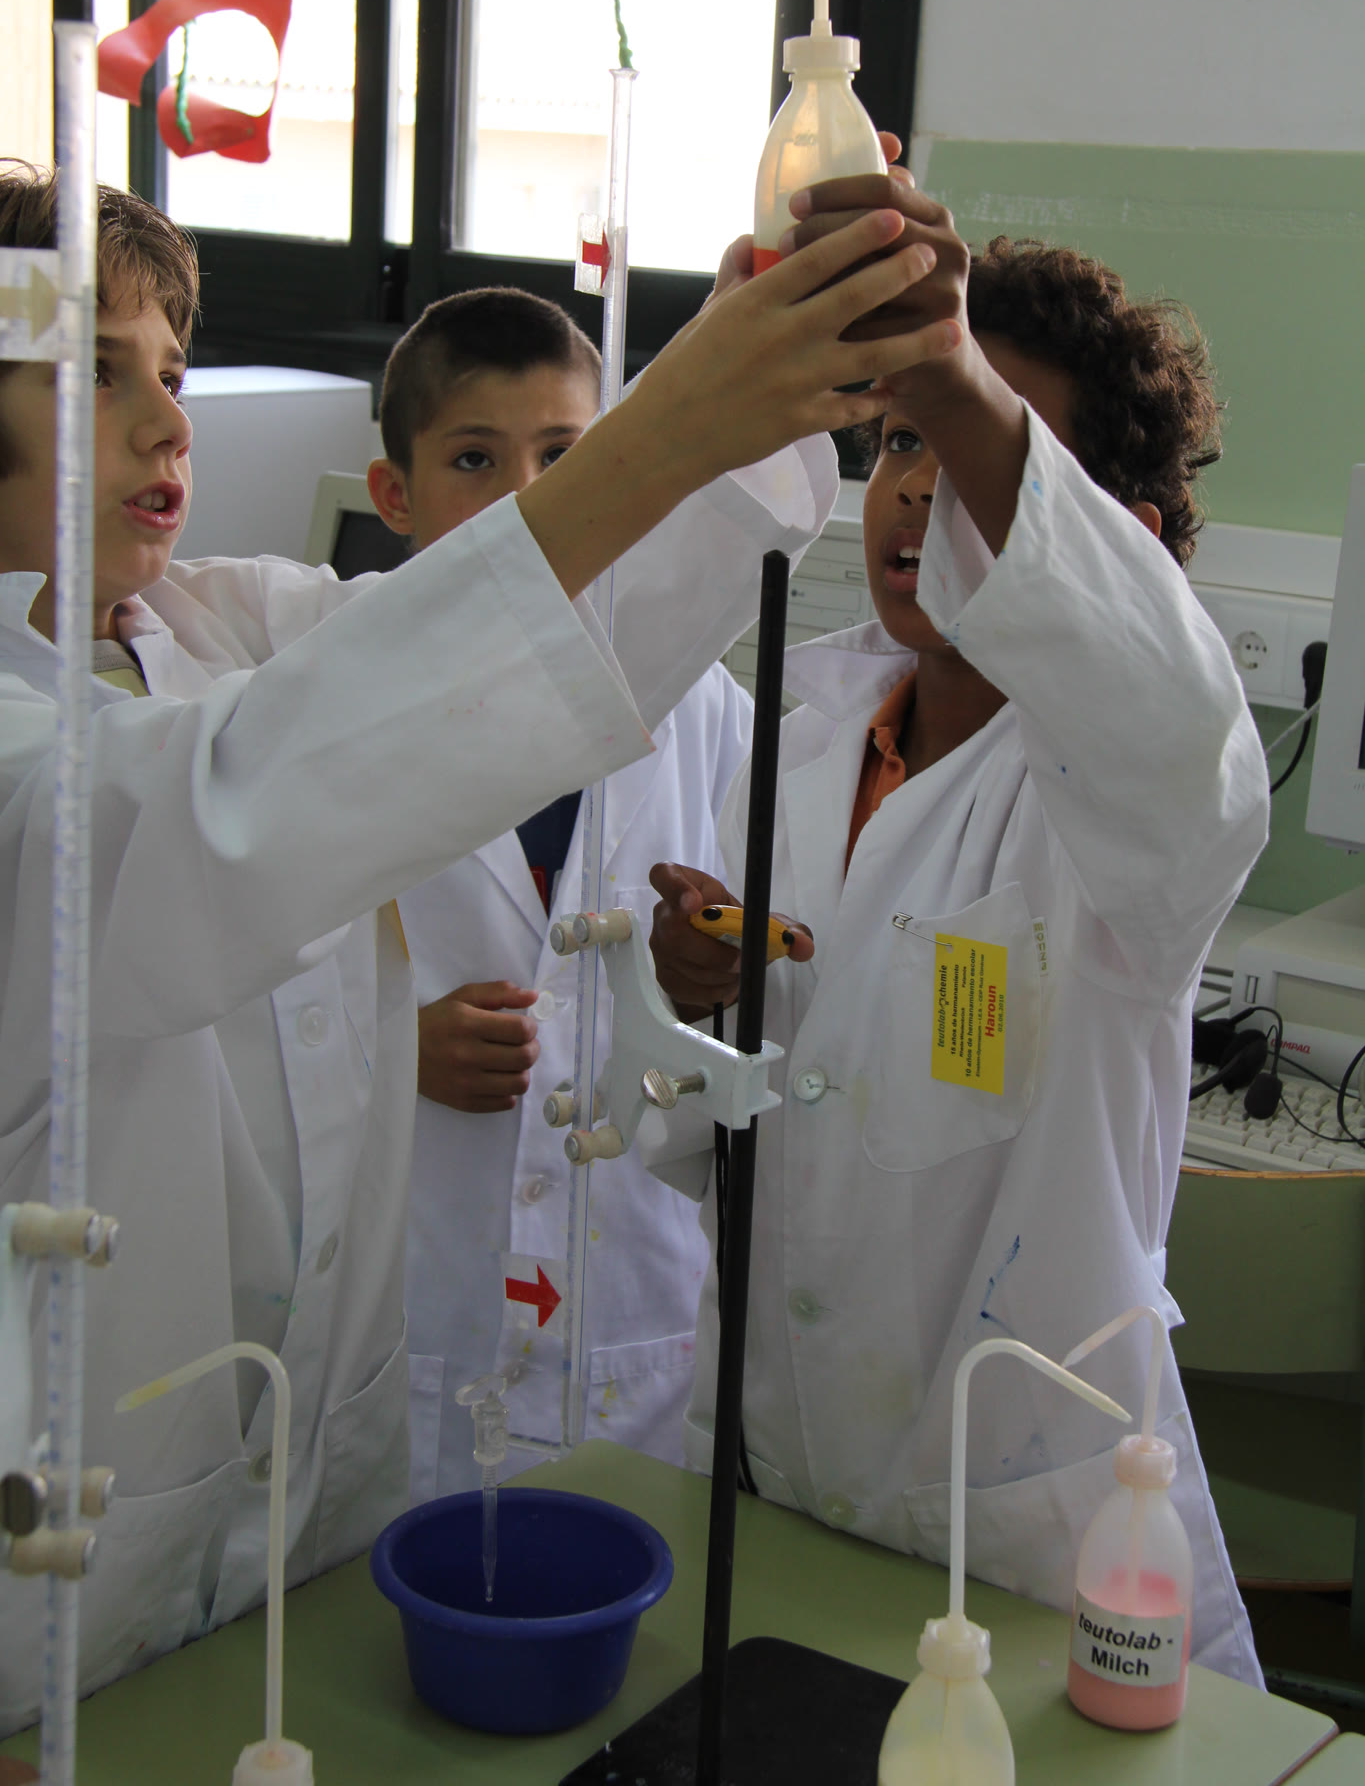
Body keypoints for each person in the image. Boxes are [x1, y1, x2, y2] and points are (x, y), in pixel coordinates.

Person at [0, 165, 952, 1730]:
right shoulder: (39, 746)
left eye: (169, 370)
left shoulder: (220, 629)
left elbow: (537, 646)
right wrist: (681, 419)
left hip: (303, 1511)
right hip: (64, 1554)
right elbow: (232, 807)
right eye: (97, 372)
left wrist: (760, 397)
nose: (169, 423)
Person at [648, 186, 1271, 1685]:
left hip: (1025, 1527)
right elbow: (754, 1115)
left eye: (974, 448)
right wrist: (694, 997)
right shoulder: (801, 743)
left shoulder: (1135, 811)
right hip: (779, 1469)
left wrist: (944, 366)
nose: (918, 488)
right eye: (900, 441)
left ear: (1104, 553)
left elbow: (1171, 715)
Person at [365, 286, 753, 1493]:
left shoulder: (702, 708)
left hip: (631, 1303)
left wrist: (717, 972)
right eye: (475, 459)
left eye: (564, 457)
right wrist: (390, 1047)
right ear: (394, 495)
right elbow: (257, 992)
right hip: (425, 1286)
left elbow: (769, 975)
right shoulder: (337, 705)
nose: (528, 499)